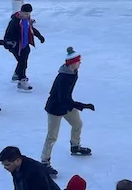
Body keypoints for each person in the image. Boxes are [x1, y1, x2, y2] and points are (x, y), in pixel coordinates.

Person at [41, 47, 94, 177]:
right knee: (52, 136)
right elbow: (62, 98)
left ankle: (75, 146)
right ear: (72, 63)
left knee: (77, 124)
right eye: (78, 61)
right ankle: (44, 162)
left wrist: (76, 105)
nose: (80, 63)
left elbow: (66, 98)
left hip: (66, 105)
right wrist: (82, 105)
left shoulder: (73, 72)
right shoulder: (63, 77)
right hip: (55, 108)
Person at [3, 3, 45, 91]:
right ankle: (22, 80)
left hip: (25, 44)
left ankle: (17, 74)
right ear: (21, 12)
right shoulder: (14, 22)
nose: (28, 15)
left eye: (29, 14)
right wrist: (9, 43)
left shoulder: (27, 19)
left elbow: (31, 29)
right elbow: (7, 34)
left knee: (22, 62)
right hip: (16, 46)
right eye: (26, 14)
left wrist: (39, 36)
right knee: (22, 63)